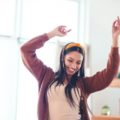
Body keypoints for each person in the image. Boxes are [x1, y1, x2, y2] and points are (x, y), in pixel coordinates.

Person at [20, 17, 120, 120]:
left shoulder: (84, 84)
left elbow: (110, 73)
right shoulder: (46, 75)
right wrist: (52, 34)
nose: (73, 66)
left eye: (78, 62)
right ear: (63, 58)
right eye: (70, 60)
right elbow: (25, 50)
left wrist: (115, 39)